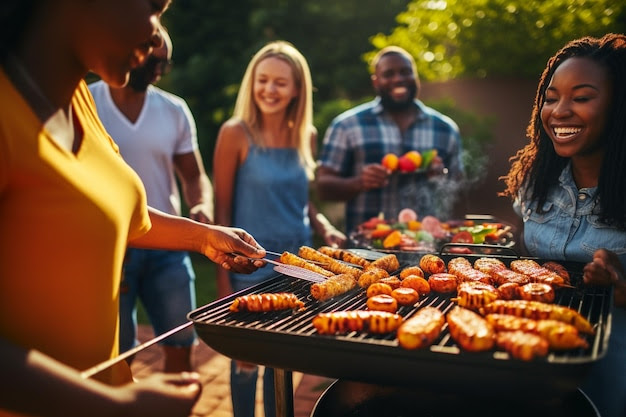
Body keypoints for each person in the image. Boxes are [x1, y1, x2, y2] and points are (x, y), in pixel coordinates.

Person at [0, 1, 266, 416]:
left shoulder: (79, 105)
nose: (158, 36)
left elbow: (122, 217)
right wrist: (110, 405)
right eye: (152, 7)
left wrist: (202, 237)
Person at [213, 40, 346, 417]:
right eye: (262, 80)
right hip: (248, 268)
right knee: (245, 365)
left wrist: (323, 226)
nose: (269, 90)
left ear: (297, 90)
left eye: (280, 83)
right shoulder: (235, 133)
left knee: (282, 365)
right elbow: (221, 214)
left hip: (297, 269)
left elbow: (304, 201)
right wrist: (223, 284)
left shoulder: (307, 135)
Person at [500, 33, 626, 417]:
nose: (559, 111)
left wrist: (620, 285)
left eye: (582, 98)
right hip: (533, 369)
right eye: (551, 97)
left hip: (612, 379)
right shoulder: (535, 183)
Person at [89, 29, 212, 373]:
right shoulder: (87, 102)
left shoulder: (174, 110)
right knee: (117, 356)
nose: (160, 69)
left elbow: (194, 175)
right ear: (130, 51)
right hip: (113, 249)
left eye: (166, 63)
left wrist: (201, 204)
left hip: (168, 249)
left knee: (180, 345)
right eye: (154, 60)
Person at [316, 45, 464, 236]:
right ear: (376, 82)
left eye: (405, 72)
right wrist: (360, 182)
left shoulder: (445, 129)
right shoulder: (347, 125)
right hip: (366, 251)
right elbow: (323, 188)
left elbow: (460, 192)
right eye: (389, 74)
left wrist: (440, 177)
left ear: (416, 77)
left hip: (427, 249)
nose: (398, 79)